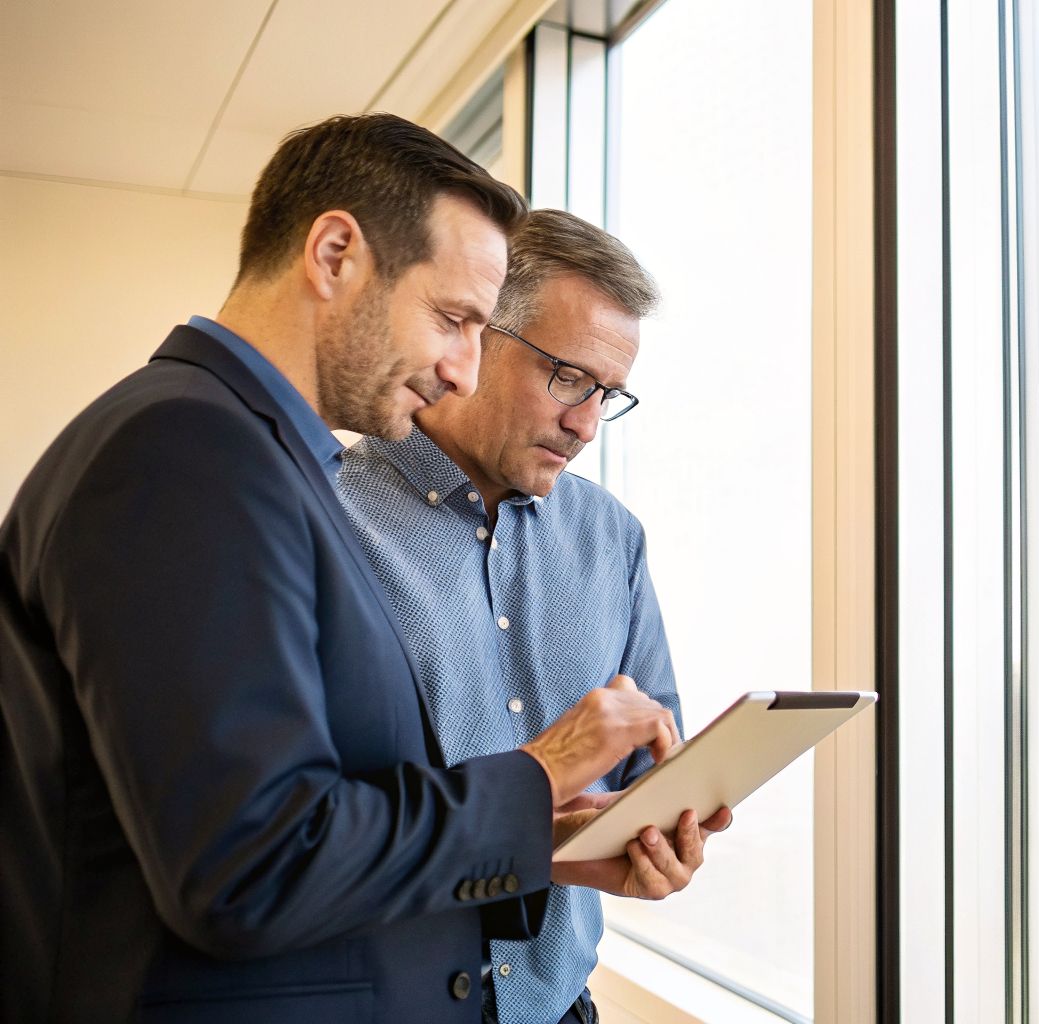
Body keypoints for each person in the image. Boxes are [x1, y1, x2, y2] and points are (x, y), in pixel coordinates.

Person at [0, 114, 679, 1023]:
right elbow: (251, 864)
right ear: (333, 255)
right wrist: (537, 774)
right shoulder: (183, 449)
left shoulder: (254, 458)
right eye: (452, 319)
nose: (458, 368)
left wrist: (539, 840)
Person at [338, 208, 732, 1024]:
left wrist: (654, 834)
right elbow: (319, 822)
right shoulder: (328, 517)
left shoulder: (609, 537)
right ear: (475, 333)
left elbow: (642, 770)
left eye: (608, 396)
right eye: (568, 378)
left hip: (559, 1007)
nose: (587, 423)